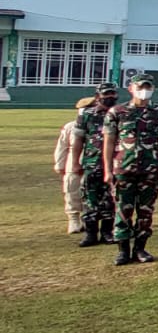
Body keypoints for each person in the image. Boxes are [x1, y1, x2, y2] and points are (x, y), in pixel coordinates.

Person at [101, 74, 158, 265]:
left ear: (153, 89)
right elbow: (108, 142)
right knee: (123, 210)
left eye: (148, 87)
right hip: (123, 168)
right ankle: (123, 251)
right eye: (141, 86)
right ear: (131, 88)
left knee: (145, 211)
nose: (144, 90)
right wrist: (108, 169)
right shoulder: (117, 112)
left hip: (150, 169)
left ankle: (140, 249)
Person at [71, 85, 117, 246]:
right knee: (89, 199)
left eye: (113, 93)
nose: (110, 97)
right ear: (97, 96)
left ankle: (107, 232)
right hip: (91, 163)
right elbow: (78, 140)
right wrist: (75, 162)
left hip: (113, 164)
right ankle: (90, 234)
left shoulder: (120, 114)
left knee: (110, 200)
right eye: (106, 94)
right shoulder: (87, 116)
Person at [56, 96, 96, 236]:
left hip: (93, 163)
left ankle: (87, 219)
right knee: (72, 191)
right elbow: (62, 147)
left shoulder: (99, 125)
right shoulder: (70, 127)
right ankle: (73, 219)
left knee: (90, 192)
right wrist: (59, 164)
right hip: (73, 163)